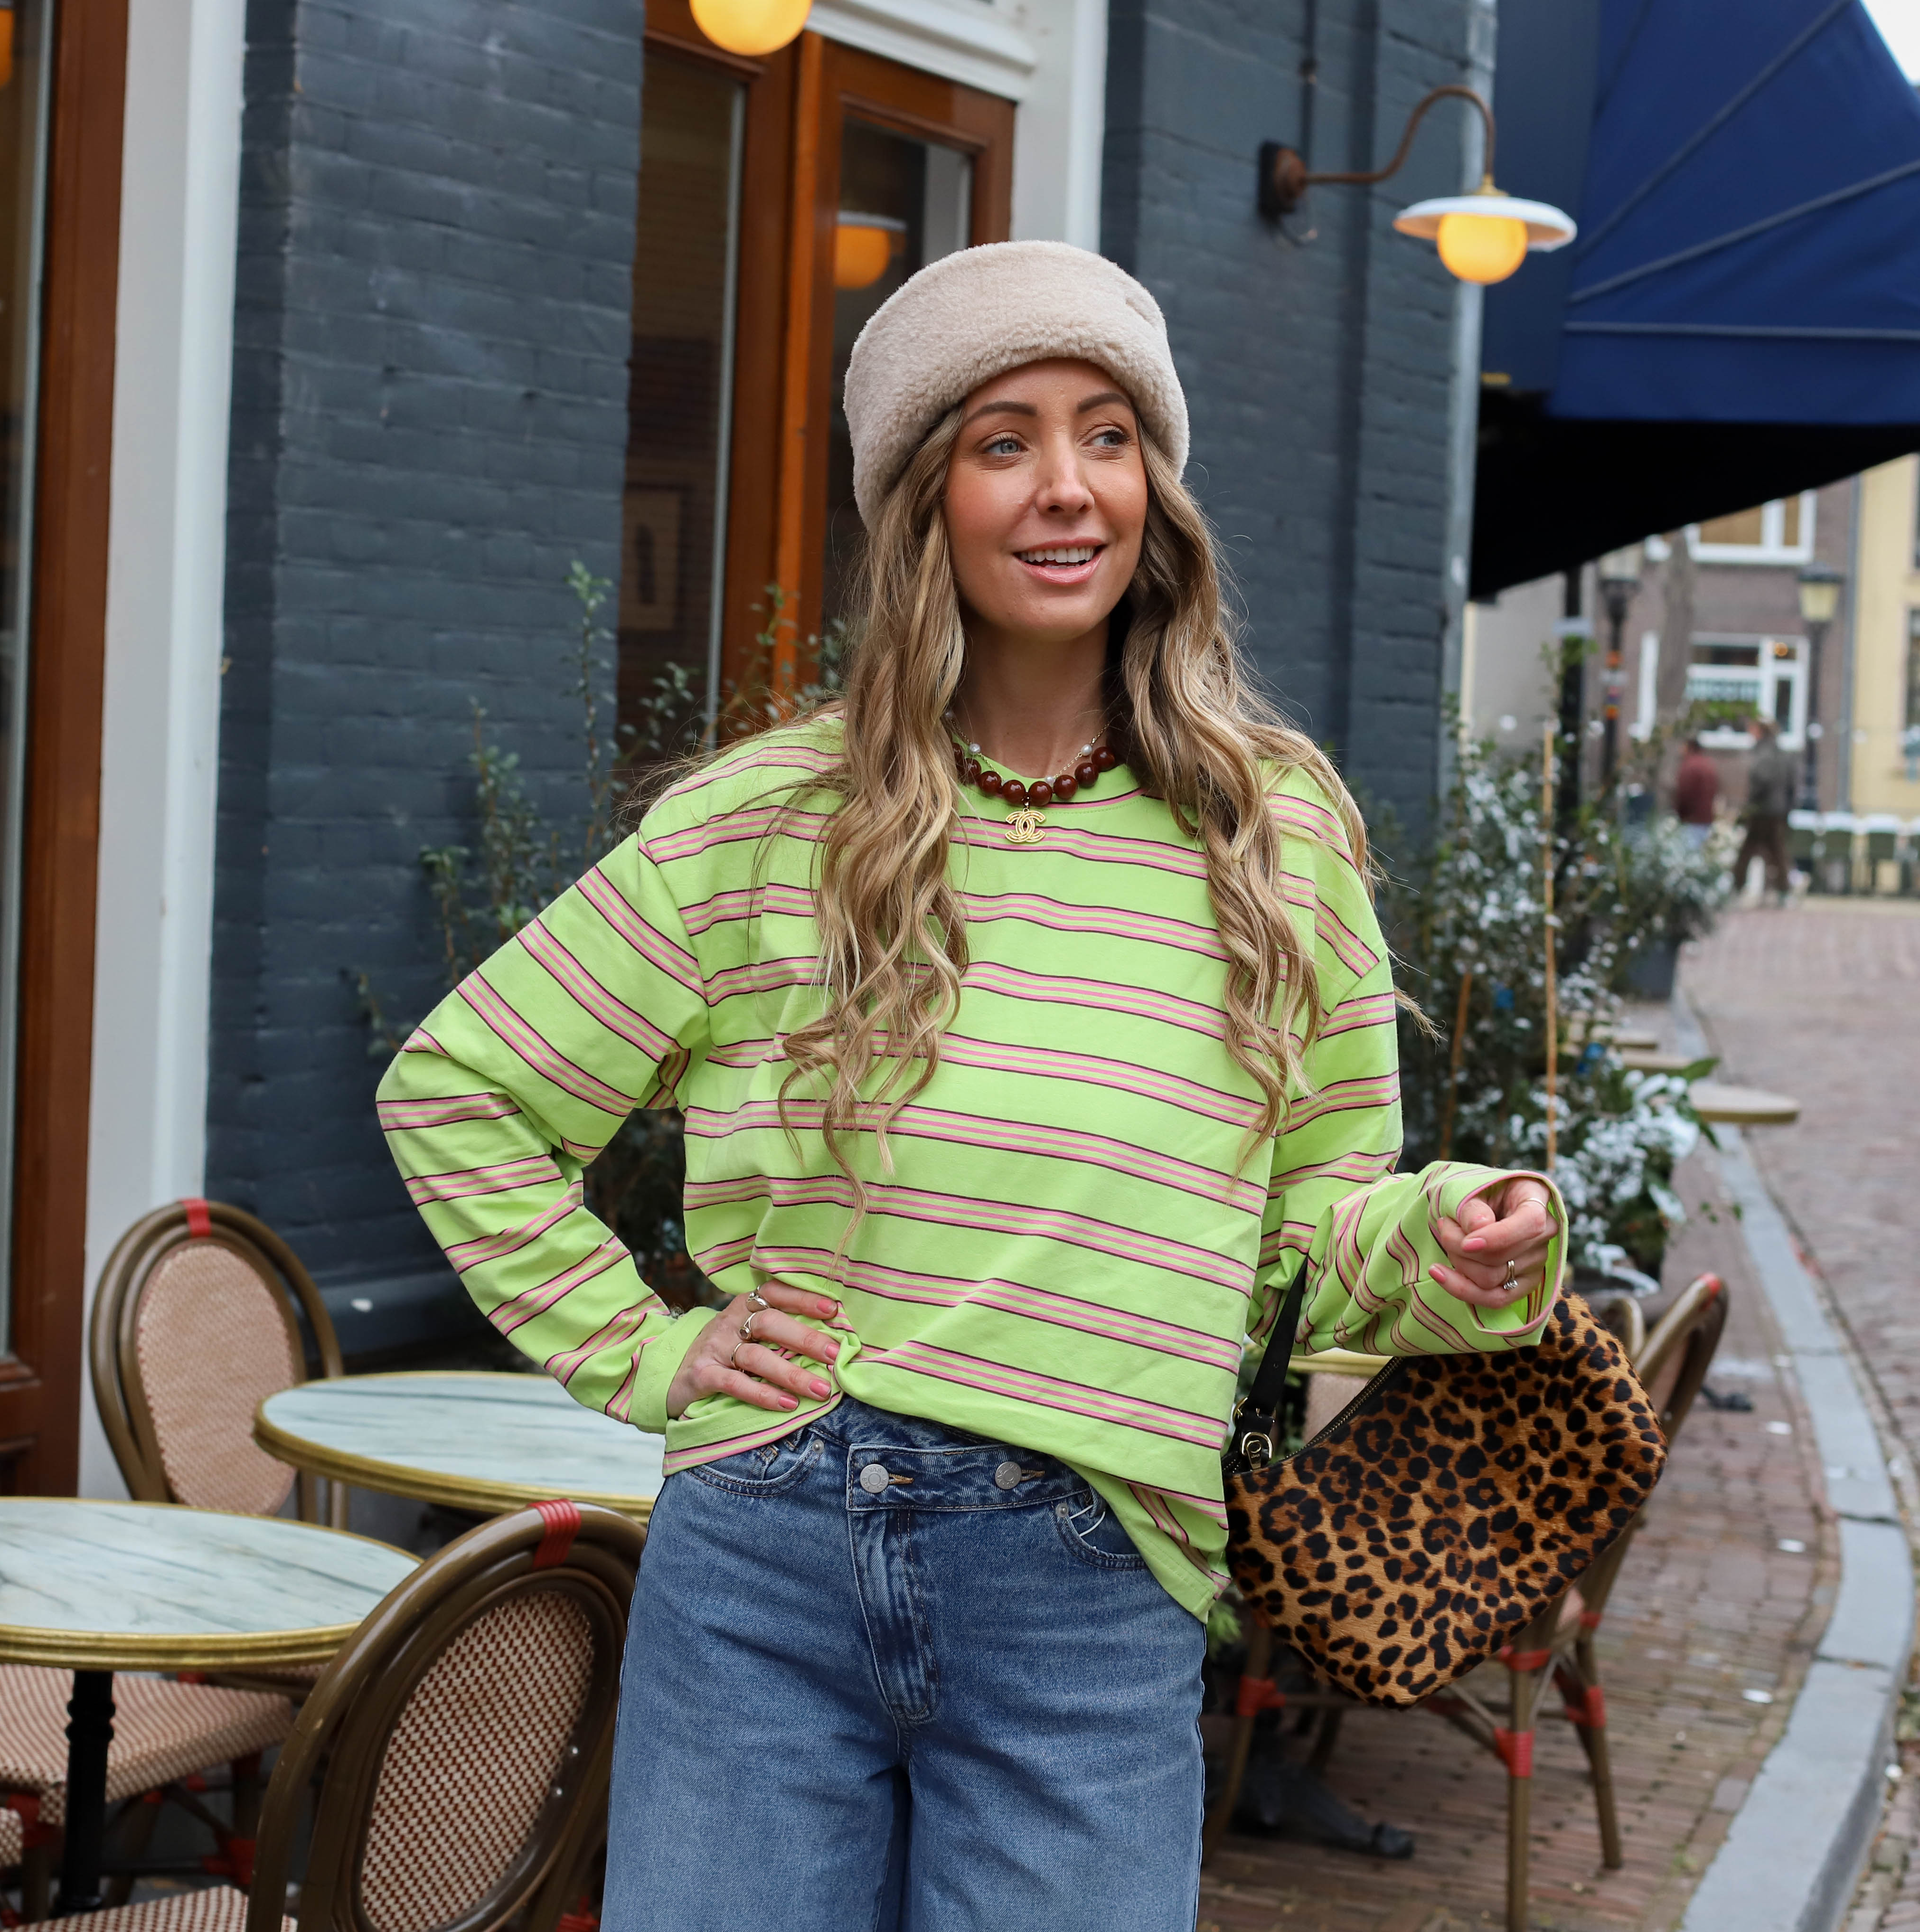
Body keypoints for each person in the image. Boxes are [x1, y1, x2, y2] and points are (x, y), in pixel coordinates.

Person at [376, 241, 1566, 1932]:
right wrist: (642, 1345)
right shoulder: (765, 820)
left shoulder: (1271, 832)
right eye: (1005, 440)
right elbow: (460, 1087)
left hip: (1088, 1579)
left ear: (1153, 487)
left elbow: (1312, 1229)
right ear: (923, 500)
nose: (1066, 484)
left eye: (1106, 435)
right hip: (764, 1552)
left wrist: (1451, 1238)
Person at [1737, 715, 1797, 902]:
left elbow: (1762, 780)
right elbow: (1792, 785)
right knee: (1777, 851)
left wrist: (1750, 805)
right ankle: (1783, 890)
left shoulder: (1764, 753)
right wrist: (1788, 807)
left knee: (1748, 850)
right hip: (1778, 810)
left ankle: (1737, 887)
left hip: (1762, 810)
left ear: (1760, 732)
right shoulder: (1782, 753)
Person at [1675, 734, 1719, 849]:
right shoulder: (1708, 764)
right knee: (1699, 851)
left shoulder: (1690, 766)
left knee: (1689, 853)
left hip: (1693, 819)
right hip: (1706, 817)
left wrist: (1681, 815)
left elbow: (1685, 793)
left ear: (1689, 748)